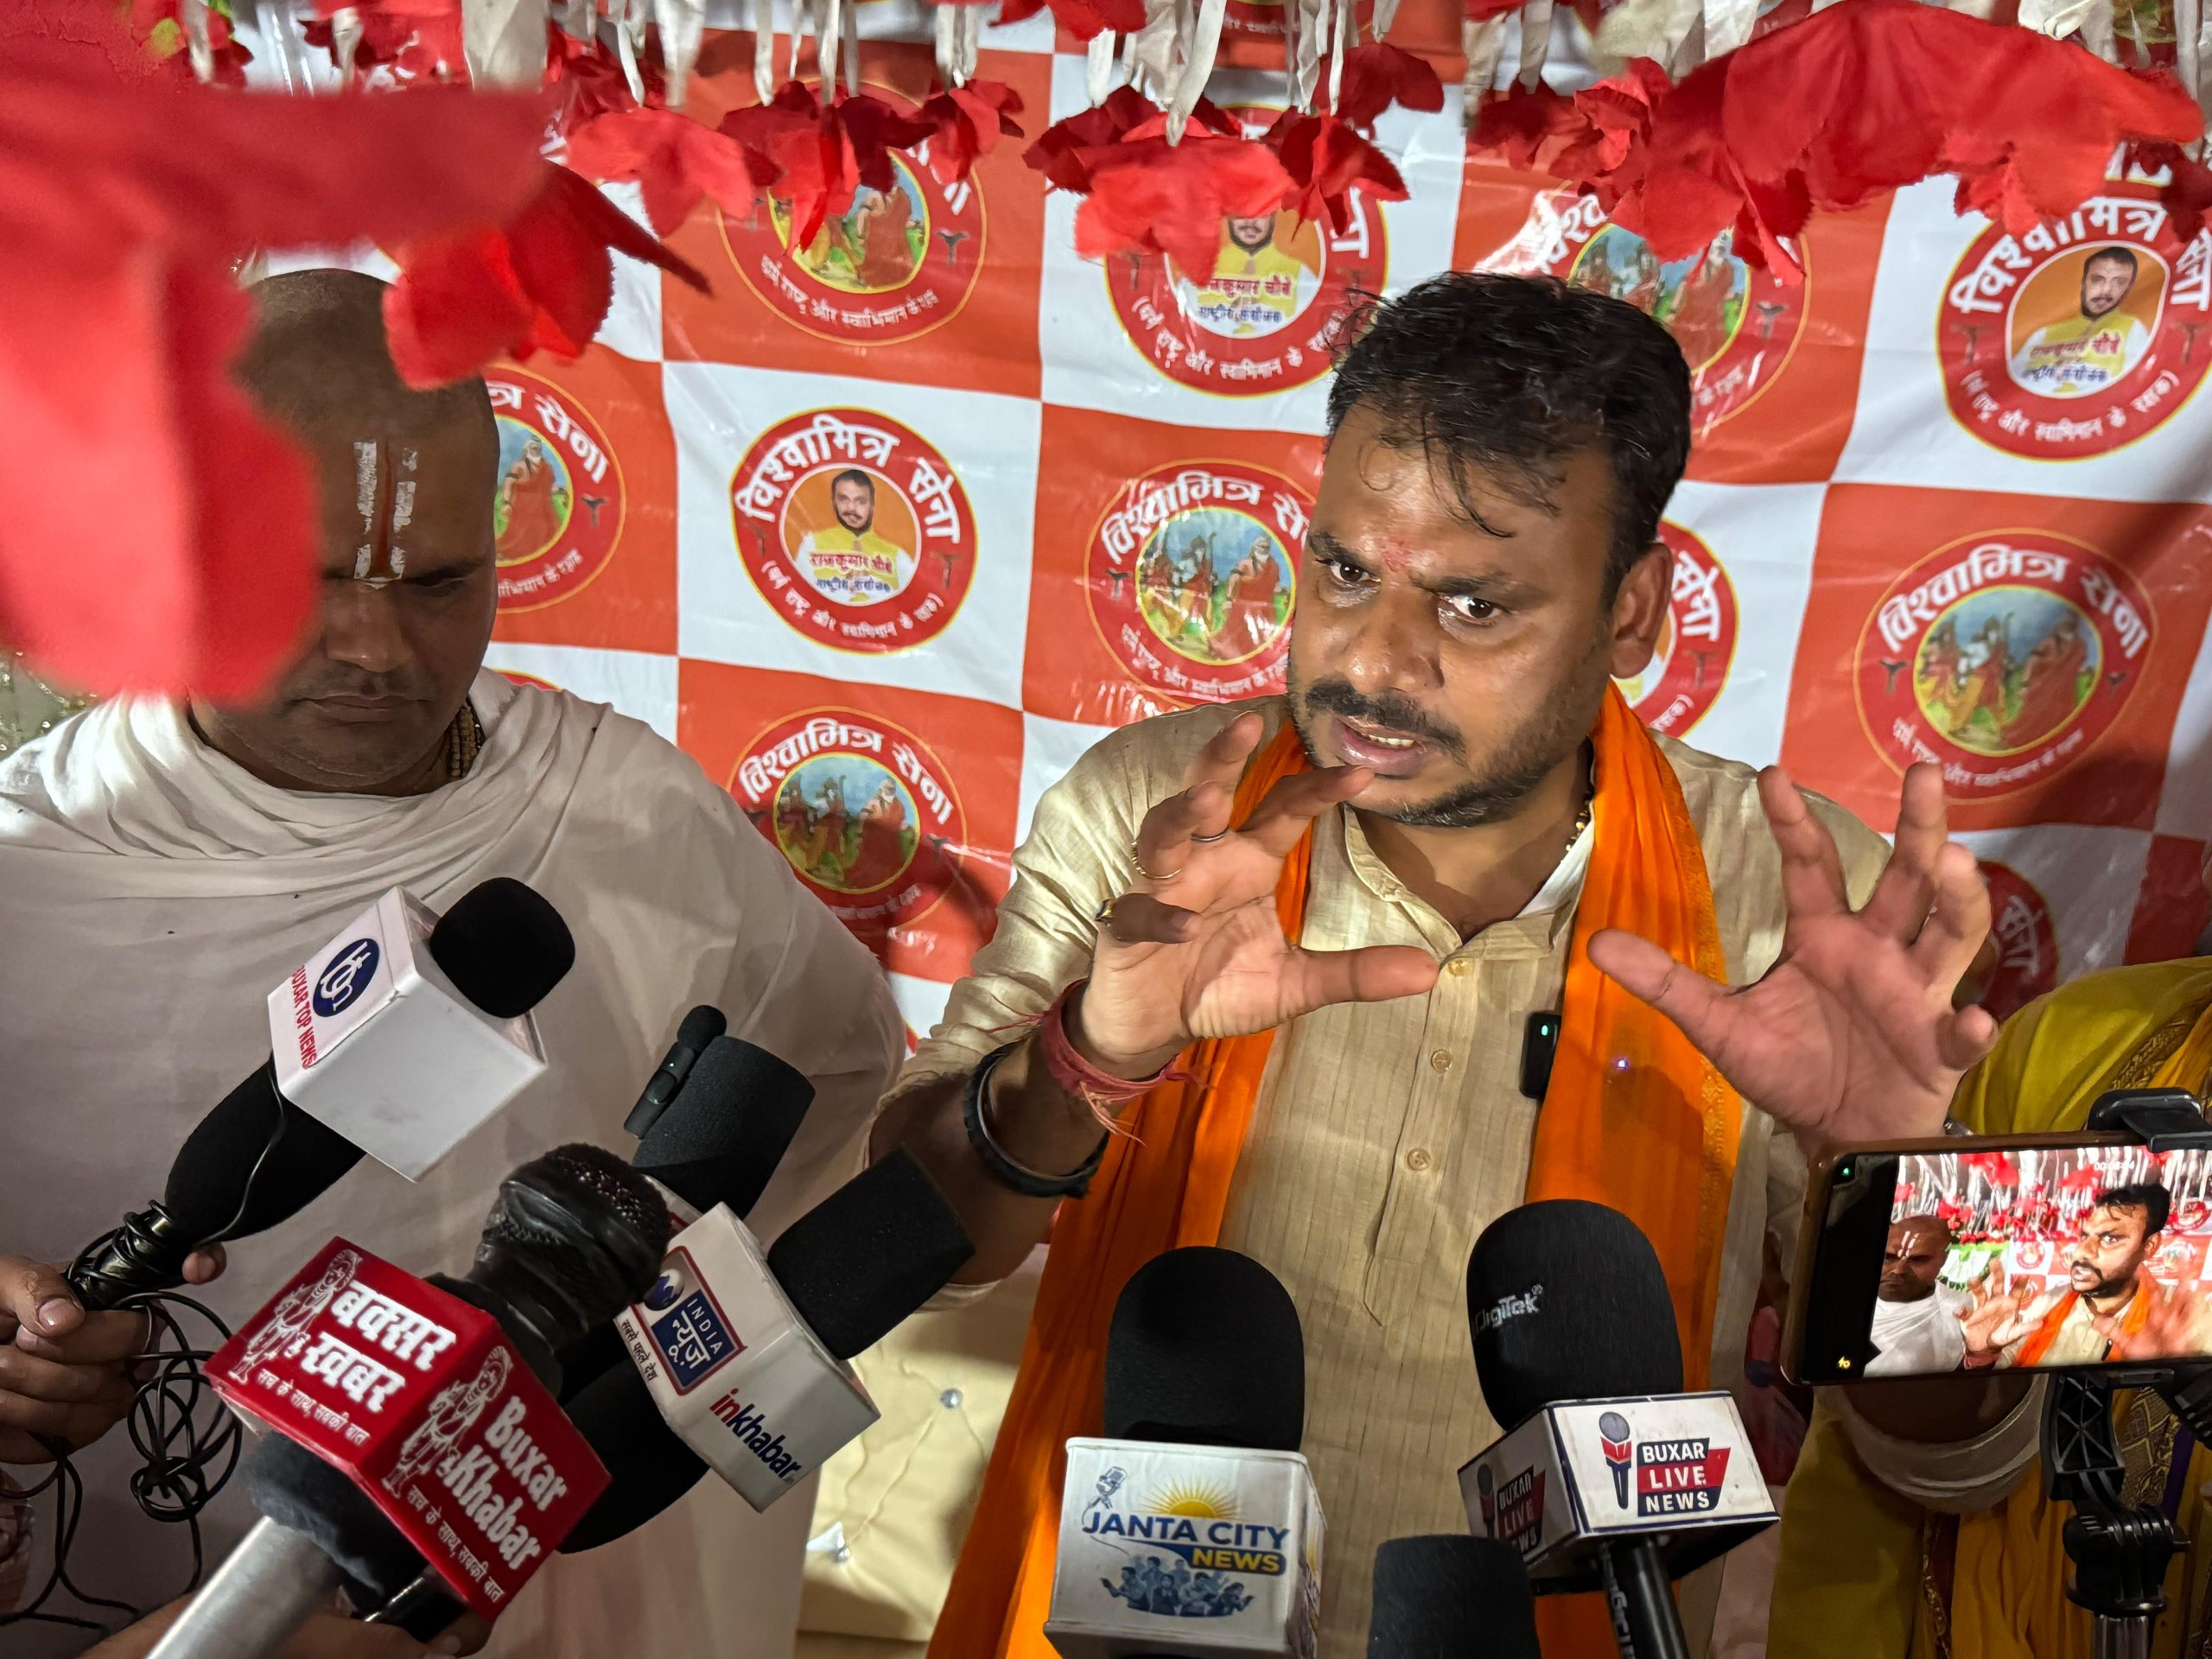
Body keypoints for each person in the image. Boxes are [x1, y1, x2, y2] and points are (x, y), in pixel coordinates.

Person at [874, 272, 1973, 1658]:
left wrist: (1899, 1195)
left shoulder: (1790, 902)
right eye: (1345, 572)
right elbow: (908, 1253)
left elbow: (1951, 1460)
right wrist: (1092, 1056)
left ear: (1633, 611)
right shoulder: (1164, 816)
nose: (1373, 662)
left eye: (1472, 606)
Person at [0, 270, 900, 1659]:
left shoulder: (630, 814)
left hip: (579, 1602)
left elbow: (828, 1109)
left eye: (437, 582)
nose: (375, 647)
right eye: (302, 577)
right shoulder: (29, 880)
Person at [2008, 245, 2152, 397]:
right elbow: (2011, 388)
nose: (2106, 290)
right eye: (2097, 280)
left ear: (2128, 289)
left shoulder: (2132, 329)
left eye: (2119, 282)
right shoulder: (2044, 334)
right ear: (2083, 283)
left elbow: (2137, 386)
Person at [1864, 1216, 1967, 1377]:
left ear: (1944, 1259)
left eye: (1917, 1260)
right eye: (1889, 1257)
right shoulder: (1843, 1296)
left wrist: (1981, 1357)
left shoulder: (1963, 1310)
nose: (1898, 1270)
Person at [795, 468, 916, 605]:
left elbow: (910, 604)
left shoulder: (898, 556)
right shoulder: (812, 544)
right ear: (834, 501)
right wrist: (844, 587)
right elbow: (800, 598)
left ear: (872, 505)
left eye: (861, 501)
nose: (851, 508)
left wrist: (870, 584)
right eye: (844, 499)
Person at [1185, 213, 1310, 335]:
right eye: (1242, 214)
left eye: (1261, 215)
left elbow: (1304, 329)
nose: (1250, 224)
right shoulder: (1202, 264)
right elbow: (1190, 325)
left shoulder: (1300, 271)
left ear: (1272, 218)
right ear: (1229, 217)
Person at [492, 435, 563, 562]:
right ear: (527, 450)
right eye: (533, 448)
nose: (536, 451)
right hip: (523, 509)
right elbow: (508, 484)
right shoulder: (519, 466)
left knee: (547, 535)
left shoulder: (547, 467)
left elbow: (550, 487)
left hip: (544, 509)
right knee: (517, 541)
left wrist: (563, 492)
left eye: (538, 448)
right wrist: (506, 503)